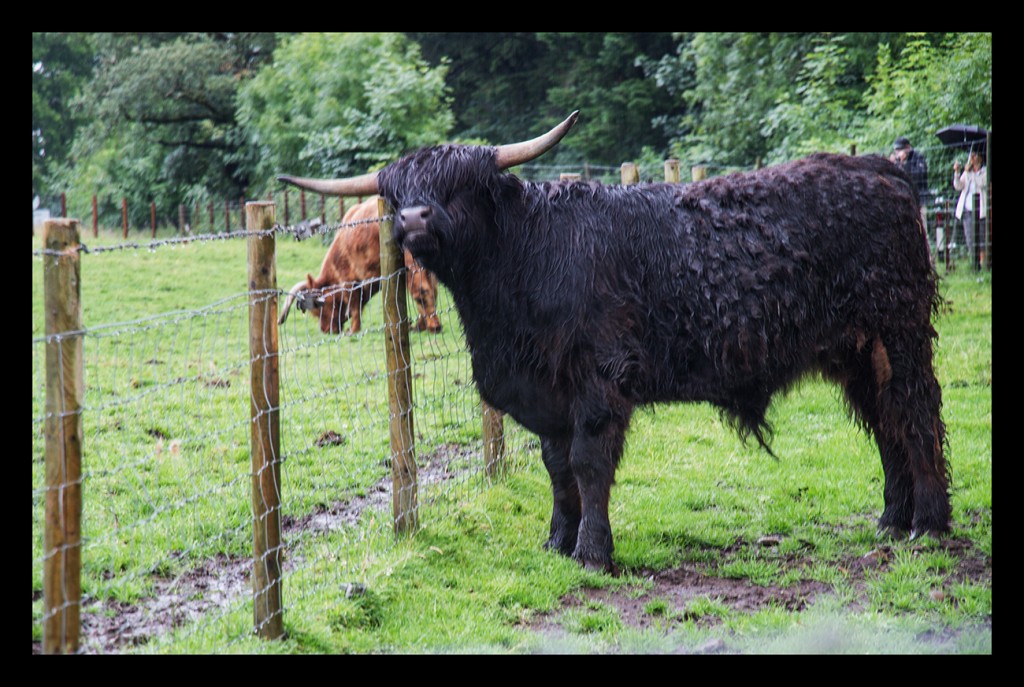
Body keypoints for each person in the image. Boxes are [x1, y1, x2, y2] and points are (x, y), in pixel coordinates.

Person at [892, 136, 931, 251]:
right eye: (896, 151)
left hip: (919, 200)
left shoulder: (918, 158)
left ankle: (928, 257)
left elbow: (920, 175)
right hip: (903, 200)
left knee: (923, 230)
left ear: (908, 148)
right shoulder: (897, 162)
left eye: (900, 150)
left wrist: (904, 165)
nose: (898, 153)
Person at [953, 149, 988, 270]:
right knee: (970, 237)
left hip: (981, 209)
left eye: (974, 155)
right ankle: (973, 264)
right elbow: (958, 186)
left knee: (982, 237)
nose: (971, 158)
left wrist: (970, 174)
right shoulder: (967, 172)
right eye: (971, 155)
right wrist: (958, 173)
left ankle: (983, 264)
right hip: (967, 209)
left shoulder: (985, 171)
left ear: (980, 158)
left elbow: (982, 183)